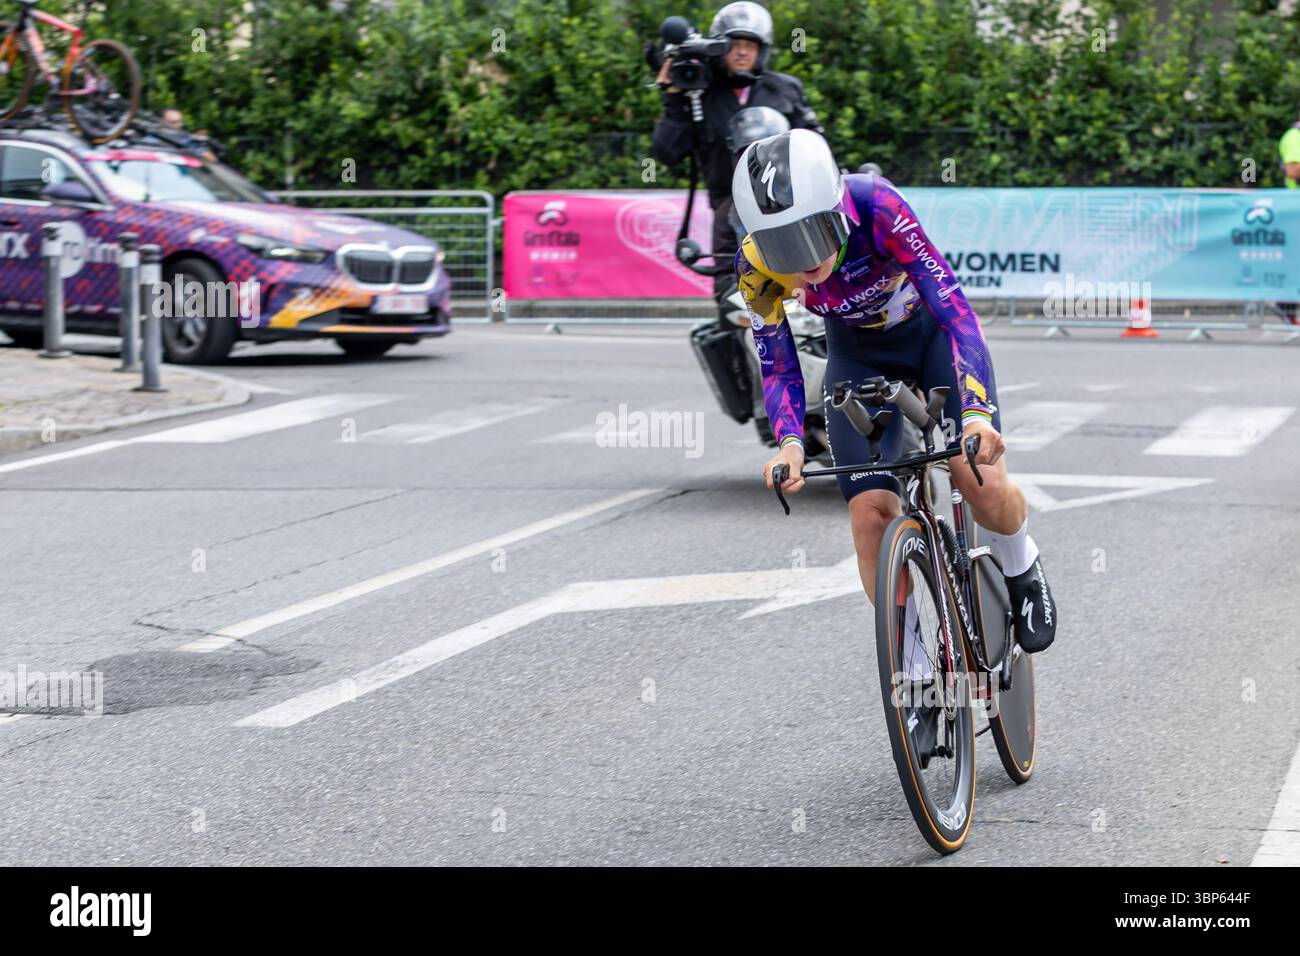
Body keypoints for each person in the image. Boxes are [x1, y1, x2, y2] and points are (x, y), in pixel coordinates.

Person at [734, 130, 1057, 737]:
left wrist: (978, 413)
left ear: (836, 206)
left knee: (975, 476)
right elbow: (775, 359)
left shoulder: (877, 205)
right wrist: (791, 442)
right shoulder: (755, 267)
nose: (804, 261)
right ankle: (915, 675)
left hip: (931, 338)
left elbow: (954, 307)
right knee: (869, 518)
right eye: (783, 245)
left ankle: (1021, 562)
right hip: (858, 358)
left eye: (813, 234)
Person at [652, 2, 821, 298]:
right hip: (729, 215)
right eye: (734, 44)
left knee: (812, 297)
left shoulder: (784, 89)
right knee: (734, 303)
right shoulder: (698, 93)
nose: (742, 51)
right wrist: (674, 100)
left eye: (749, 44)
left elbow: (815, 148)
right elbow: (668, 153)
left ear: (761, 49)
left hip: (790, 210)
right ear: (719, 48)